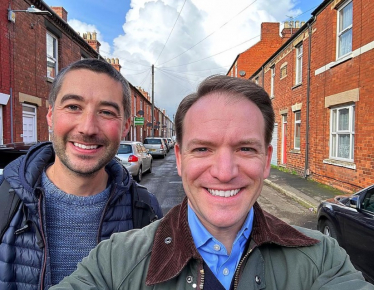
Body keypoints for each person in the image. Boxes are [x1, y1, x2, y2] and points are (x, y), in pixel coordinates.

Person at [50, 75, 373, 290]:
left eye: (245, 148)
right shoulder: (115, 262)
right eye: (203, 148)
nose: (223, 171)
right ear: (179, 158)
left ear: (265, 160)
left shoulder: (320, 258)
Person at [0, 59, 163, 290]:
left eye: (106, 112)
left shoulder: (145, 211)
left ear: (126, 126)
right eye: (73, 107)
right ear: (50, 115)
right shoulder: (3, 201)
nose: (87, 128)